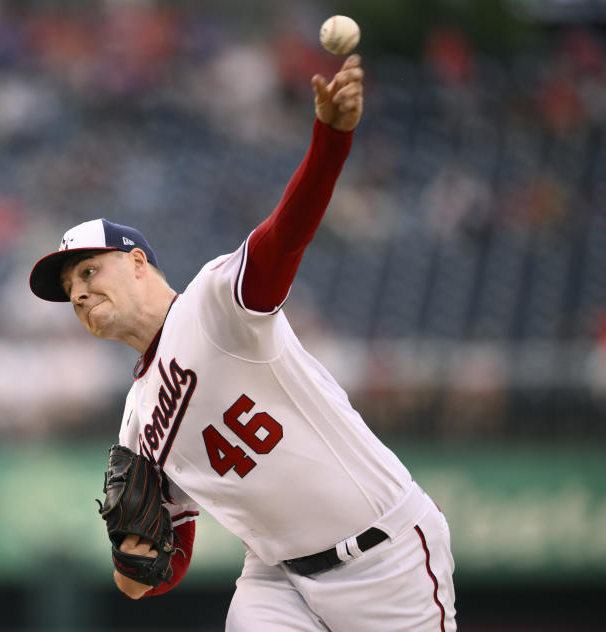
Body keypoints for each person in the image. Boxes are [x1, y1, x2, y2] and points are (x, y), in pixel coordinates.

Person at [29, 54, 456, 631]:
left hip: (384, 555)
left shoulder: (212, 305)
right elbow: (166, 560)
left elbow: (285, 236)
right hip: (277, 576)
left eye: (88, 273)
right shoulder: (136, 420)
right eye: (68, 289)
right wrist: (136, 566)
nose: (78, 293)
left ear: (136, 263)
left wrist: (330, 141)